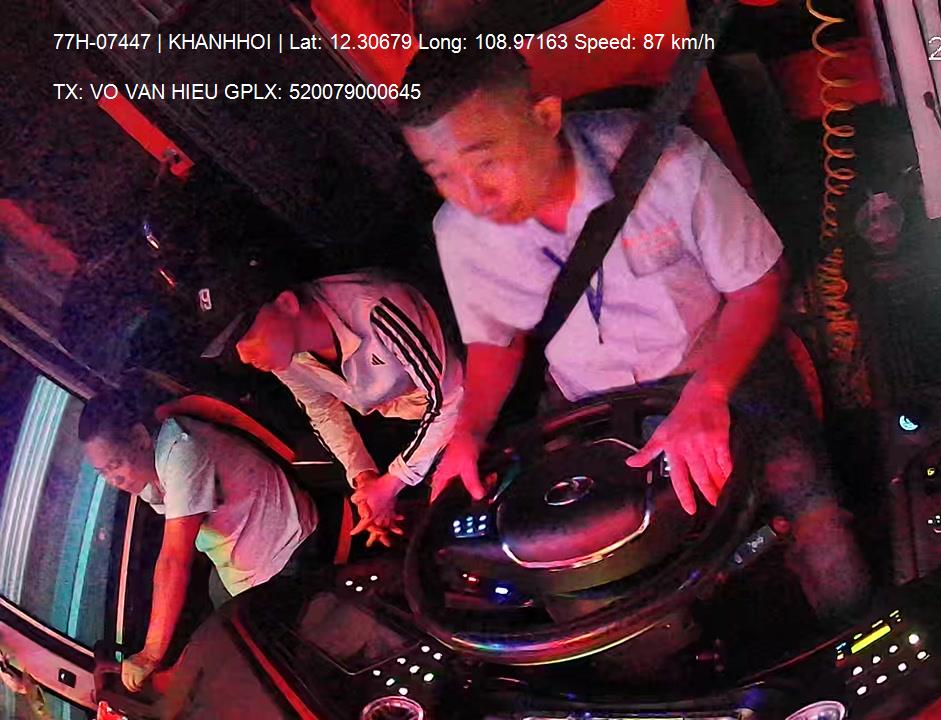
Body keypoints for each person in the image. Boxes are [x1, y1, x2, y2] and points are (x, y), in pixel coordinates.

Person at [397, 48, 869, 621]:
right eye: (442, 175)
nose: (473, 197)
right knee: (586, 590)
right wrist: (469, 430)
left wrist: (707, 394)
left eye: (486, 162)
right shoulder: (458, 232)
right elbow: (497, 341)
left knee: (823, 536)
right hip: (591, 405)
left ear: (544, 118)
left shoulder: (668, 163)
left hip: (717, 367)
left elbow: (759, 285)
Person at [80, 389, 317, 692]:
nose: (114, 480)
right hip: (243, 568)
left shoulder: (182, 452)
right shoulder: (148, 472)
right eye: (102, 472)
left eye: (115, 465)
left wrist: (150, 654)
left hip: (287, 550)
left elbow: (174, 559)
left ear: (140, 438)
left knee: (272, 676)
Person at [228, 272, 462, 546]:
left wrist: (393, 482)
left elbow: (452, 398)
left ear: (287, 303)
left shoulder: (377, 310)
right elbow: (323, 411)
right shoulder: (287, 359)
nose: (244, 357)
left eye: (246, 335)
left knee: (450, 507)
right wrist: (366, 482)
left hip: (467, 404)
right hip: (399, 417)